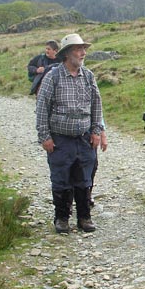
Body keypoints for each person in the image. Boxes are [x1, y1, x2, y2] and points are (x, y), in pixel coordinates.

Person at [36, 33, 108, 234]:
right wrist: (45, 137)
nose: (83, 53)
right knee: (61, 179)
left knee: (84, 179)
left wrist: (96, 131)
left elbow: (96, 105)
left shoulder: (89, 76)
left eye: (84, 49)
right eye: (78, 49)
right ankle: (61, 219)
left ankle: (84, 218)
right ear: (67, 54)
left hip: (84, 139)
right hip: (60, 140)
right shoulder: (53, 77)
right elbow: (42, 108)